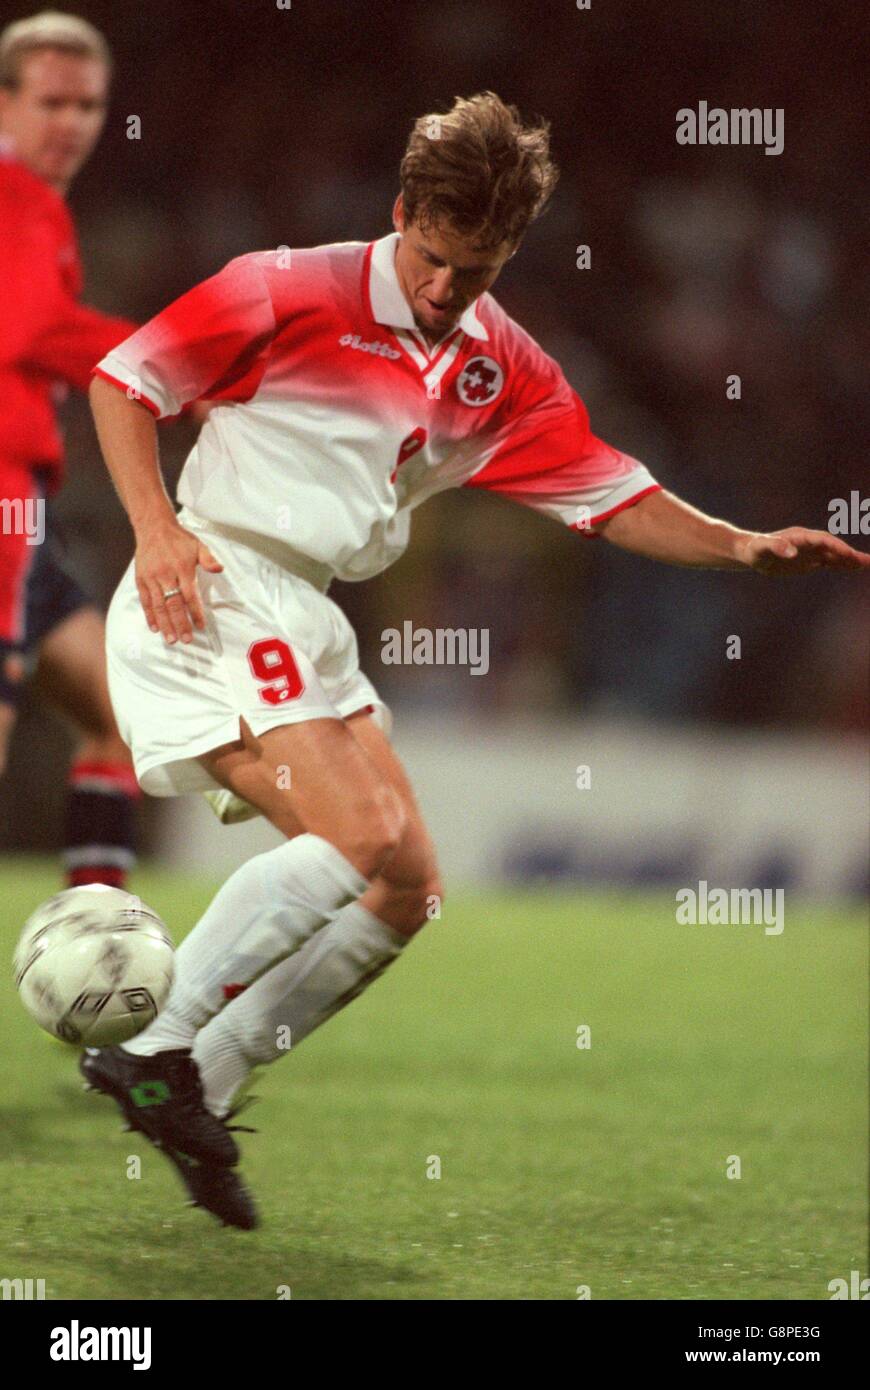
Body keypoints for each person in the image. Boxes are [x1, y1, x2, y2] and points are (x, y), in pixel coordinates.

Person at [82, 91, 868, 1229]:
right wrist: (156, 529)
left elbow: (610, 492)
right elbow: (125, 381)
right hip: (213, 579)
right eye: (436, 258)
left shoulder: (500, 369)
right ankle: (154, 1043)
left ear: (511, 252)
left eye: (480, 269)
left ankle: (209, 1077)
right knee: (354, 839)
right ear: (402, 212)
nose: (449, 290)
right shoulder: (287, 285)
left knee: (406, 886)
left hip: (304, 615)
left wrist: (741, 545)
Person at [0, 12, 140, 886]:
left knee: (121, 710)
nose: (75, 124)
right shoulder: (18, 197)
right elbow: (35, 329)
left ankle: (100, 942)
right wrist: (175, 361)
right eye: (53, 101)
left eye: (90, 105)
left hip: (29, 516)